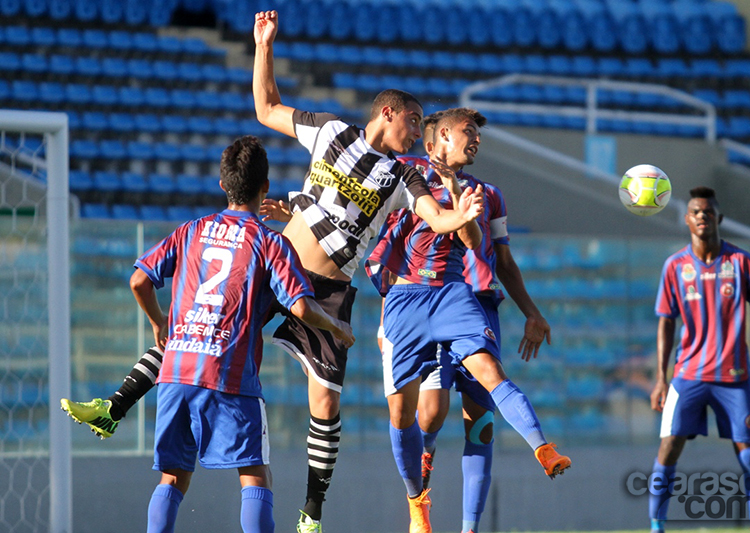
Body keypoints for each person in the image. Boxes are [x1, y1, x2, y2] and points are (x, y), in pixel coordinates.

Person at [62, 10, 485, 533]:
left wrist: (457, 215)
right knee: (198, 332)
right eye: (414, 121)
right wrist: (263, 45)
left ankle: (311, 512)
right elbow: (266, 108)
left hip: (329, 290)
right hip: (273, 264)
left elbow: (434, 216)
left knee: (324, 403)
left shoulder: (404, 177)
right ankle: (114, 406)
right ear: (389, 112)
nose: (418, 132)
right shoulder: (331, 133)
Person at [131, 136, 354, 533]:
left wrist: (158, 322)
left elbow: (138, 281)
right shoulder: (270, 242)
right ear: (265, 187)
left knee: (172, 477)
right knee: (255, 476)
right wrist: (336, 326)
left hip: (176, 371)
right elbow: (301, 307)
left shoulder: (192, 230)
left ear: (223, 185)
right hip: (229, 374)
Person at [366, 107, 570, 533]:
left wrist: (531, 310)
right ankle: (417, 496)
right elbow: (374, 228)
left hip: (465, 301)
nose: (475, 139)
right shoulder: (404, 173)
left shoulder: (487, 194)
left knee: (482, 413)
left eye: (478, 133)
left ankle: (533, 459)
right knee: (424, 414)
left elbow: (490, 253)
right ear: (437, 138)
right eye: (467, 132)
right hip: (407, 300)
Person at [648, 186, 750, 533]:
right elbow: (666, 323)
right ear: (687, 219)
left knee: (749, 455)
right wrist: (661, 378)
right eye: (696, 212)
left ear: (719, 218)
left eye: (708, 211)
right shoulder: (674, 266)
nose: (702, 216)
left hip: (734, 378)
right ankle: (656, 527)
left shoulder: (740, 262)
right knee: (668, 448)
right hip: (688, 375)